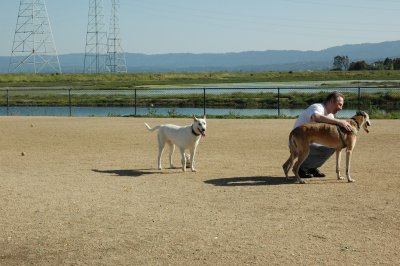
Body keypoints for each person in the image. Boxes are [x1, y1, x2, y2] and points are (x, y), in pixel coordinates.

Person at [292, 91, 352, 178]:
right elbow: (316, 117)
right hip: (298, 142)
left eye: (342, 105)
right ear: (331, 101)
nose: (341, 108)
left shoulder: (330, 115)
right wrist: (339, 121)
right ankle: (302, 168)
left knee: (333, 146)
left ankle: (312, 167)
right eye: (339, 104)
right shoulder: (317, 107)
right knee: (327, 148)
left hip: (312, 142)